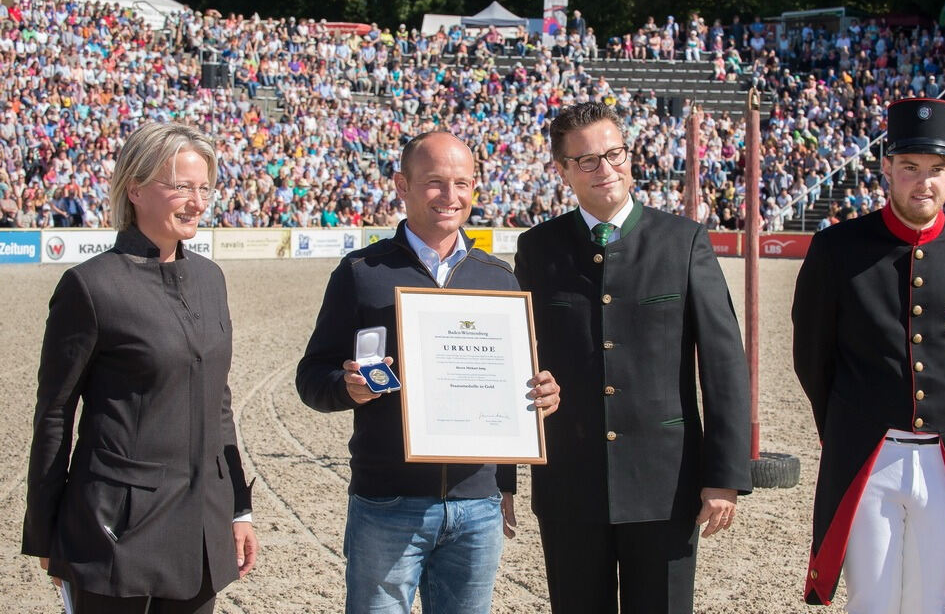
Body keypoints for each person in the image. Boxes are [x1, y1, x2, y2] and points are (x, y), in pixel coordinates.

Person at [296, 130, 560, 613]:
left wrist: (538, 400)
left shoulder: (499, 279)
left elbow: (509, 388)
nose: (450, 196)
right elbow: (311, 378)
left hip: (477, 508)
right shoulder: (361, 272)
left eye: (462, 183)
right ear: (403, 184)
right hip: (387, 503)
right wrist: (348, 389)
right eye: (435, 182)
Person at [514, 102, 751, 613]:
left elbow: (724, 364)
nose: (606, 170)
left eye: (614, 153)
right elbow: (512, 361)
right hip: (569, 482)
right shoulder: (538, 248)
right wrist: (501, 476)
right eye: (587, 161)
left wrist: (724, 475)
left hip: (665, 483)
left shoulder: (683, 241)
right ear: (562, 170)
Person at [22, 123, 258, 613]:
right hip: (117, 534)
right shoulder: (90, 287)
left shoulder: (212, 279)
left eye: (204, 188)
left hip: (200, 530)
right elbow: (55, 415)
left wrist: (238, 506)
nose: (197, 201)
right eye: (180, 187)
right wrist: (46, 534)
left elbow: (219, 402)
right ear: (135, 188)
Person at [793, 98, 945, 614]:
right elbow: (813, 358)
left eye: (936, 170)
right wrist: (848, 422)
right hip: (866, 457)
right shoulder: (837, 249)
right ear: (886, 168)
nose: (924, 183)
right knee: (871, 602)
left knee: (930, 604)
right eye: (910, 168)